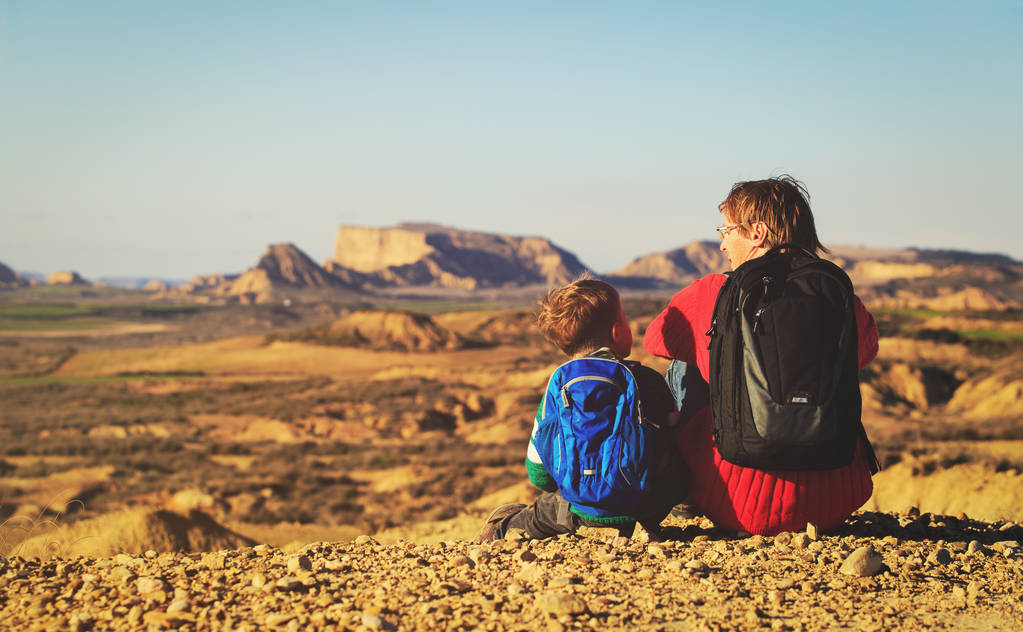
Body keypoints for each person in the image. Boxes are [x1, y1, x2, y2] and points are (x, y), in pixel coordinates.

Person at [643, 175, 880, 536]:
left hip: (738, 504)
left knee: (680, 366)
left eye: (726, 231)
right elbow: (866, 350)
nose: (722, 244)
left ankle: (682, 495)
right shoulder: (840, 298)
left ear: (757, 233)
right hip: (836, 501)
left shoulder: (716, 291)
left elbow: (654, 339)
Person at [474, 277, 683, 543]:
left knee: (539, 512)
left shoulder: (557, 385)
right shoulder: (647, 379)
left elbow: (537, 471)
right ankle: (676, 514)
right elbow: (676, 435)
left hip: (578, 508)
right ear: (618, 332)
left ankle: (500, 530)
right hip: (647, 504)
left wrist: (572, 485)